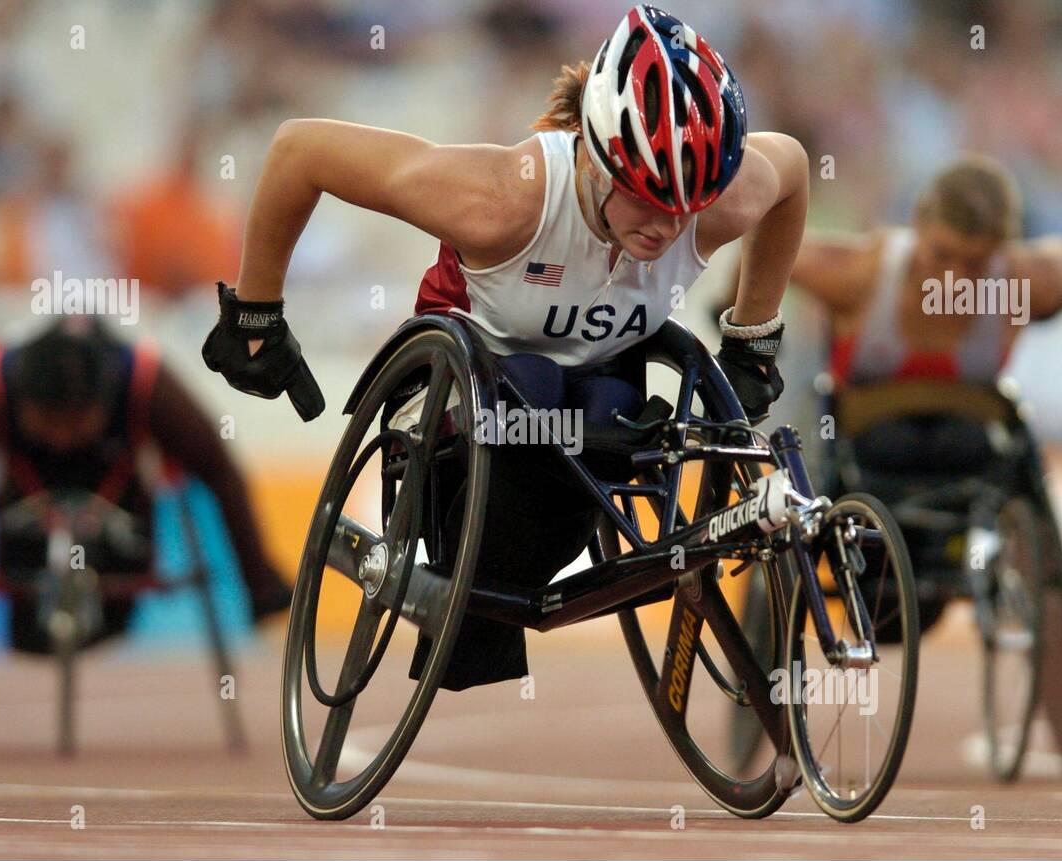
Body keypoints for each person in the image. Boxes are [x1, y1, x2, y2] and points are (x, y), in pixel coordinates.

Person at [201, 4, 809, 689]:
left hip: (595, 405)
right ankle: (473, 600)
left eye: (687, 203)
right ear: (599, 155)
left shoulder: (715, 203)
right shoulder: (503, 201)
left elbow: (789, 171)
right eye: (648, 197)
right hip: (465, 402)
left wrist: (753, 334)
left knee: (610, 410)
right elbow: (297, 150)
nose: (668, 225)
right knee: (539, 392)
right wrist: (256, 312)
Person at [0, 316, 291, 659]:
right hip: (23, 560)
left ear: (103, 400)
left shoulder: (143, 381)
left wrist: (259, 581)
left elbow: (220, 472)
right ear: (23, 403)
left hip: (118, 558)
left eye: (75, 424)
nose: (61, 440)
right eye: (49, 424)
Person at [789, 154, 1062, 473]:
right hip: (868, 441)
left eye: (975, 264)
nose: (953, 281)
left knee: (967, 443)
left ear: (1002, 250)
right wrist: (734, 321)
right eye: (941, 255)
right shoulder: (863, 273)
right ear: (916, 225)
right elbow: (763, 253)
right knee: (893, 443)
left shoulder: (1023, 281)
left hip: (968, 440)